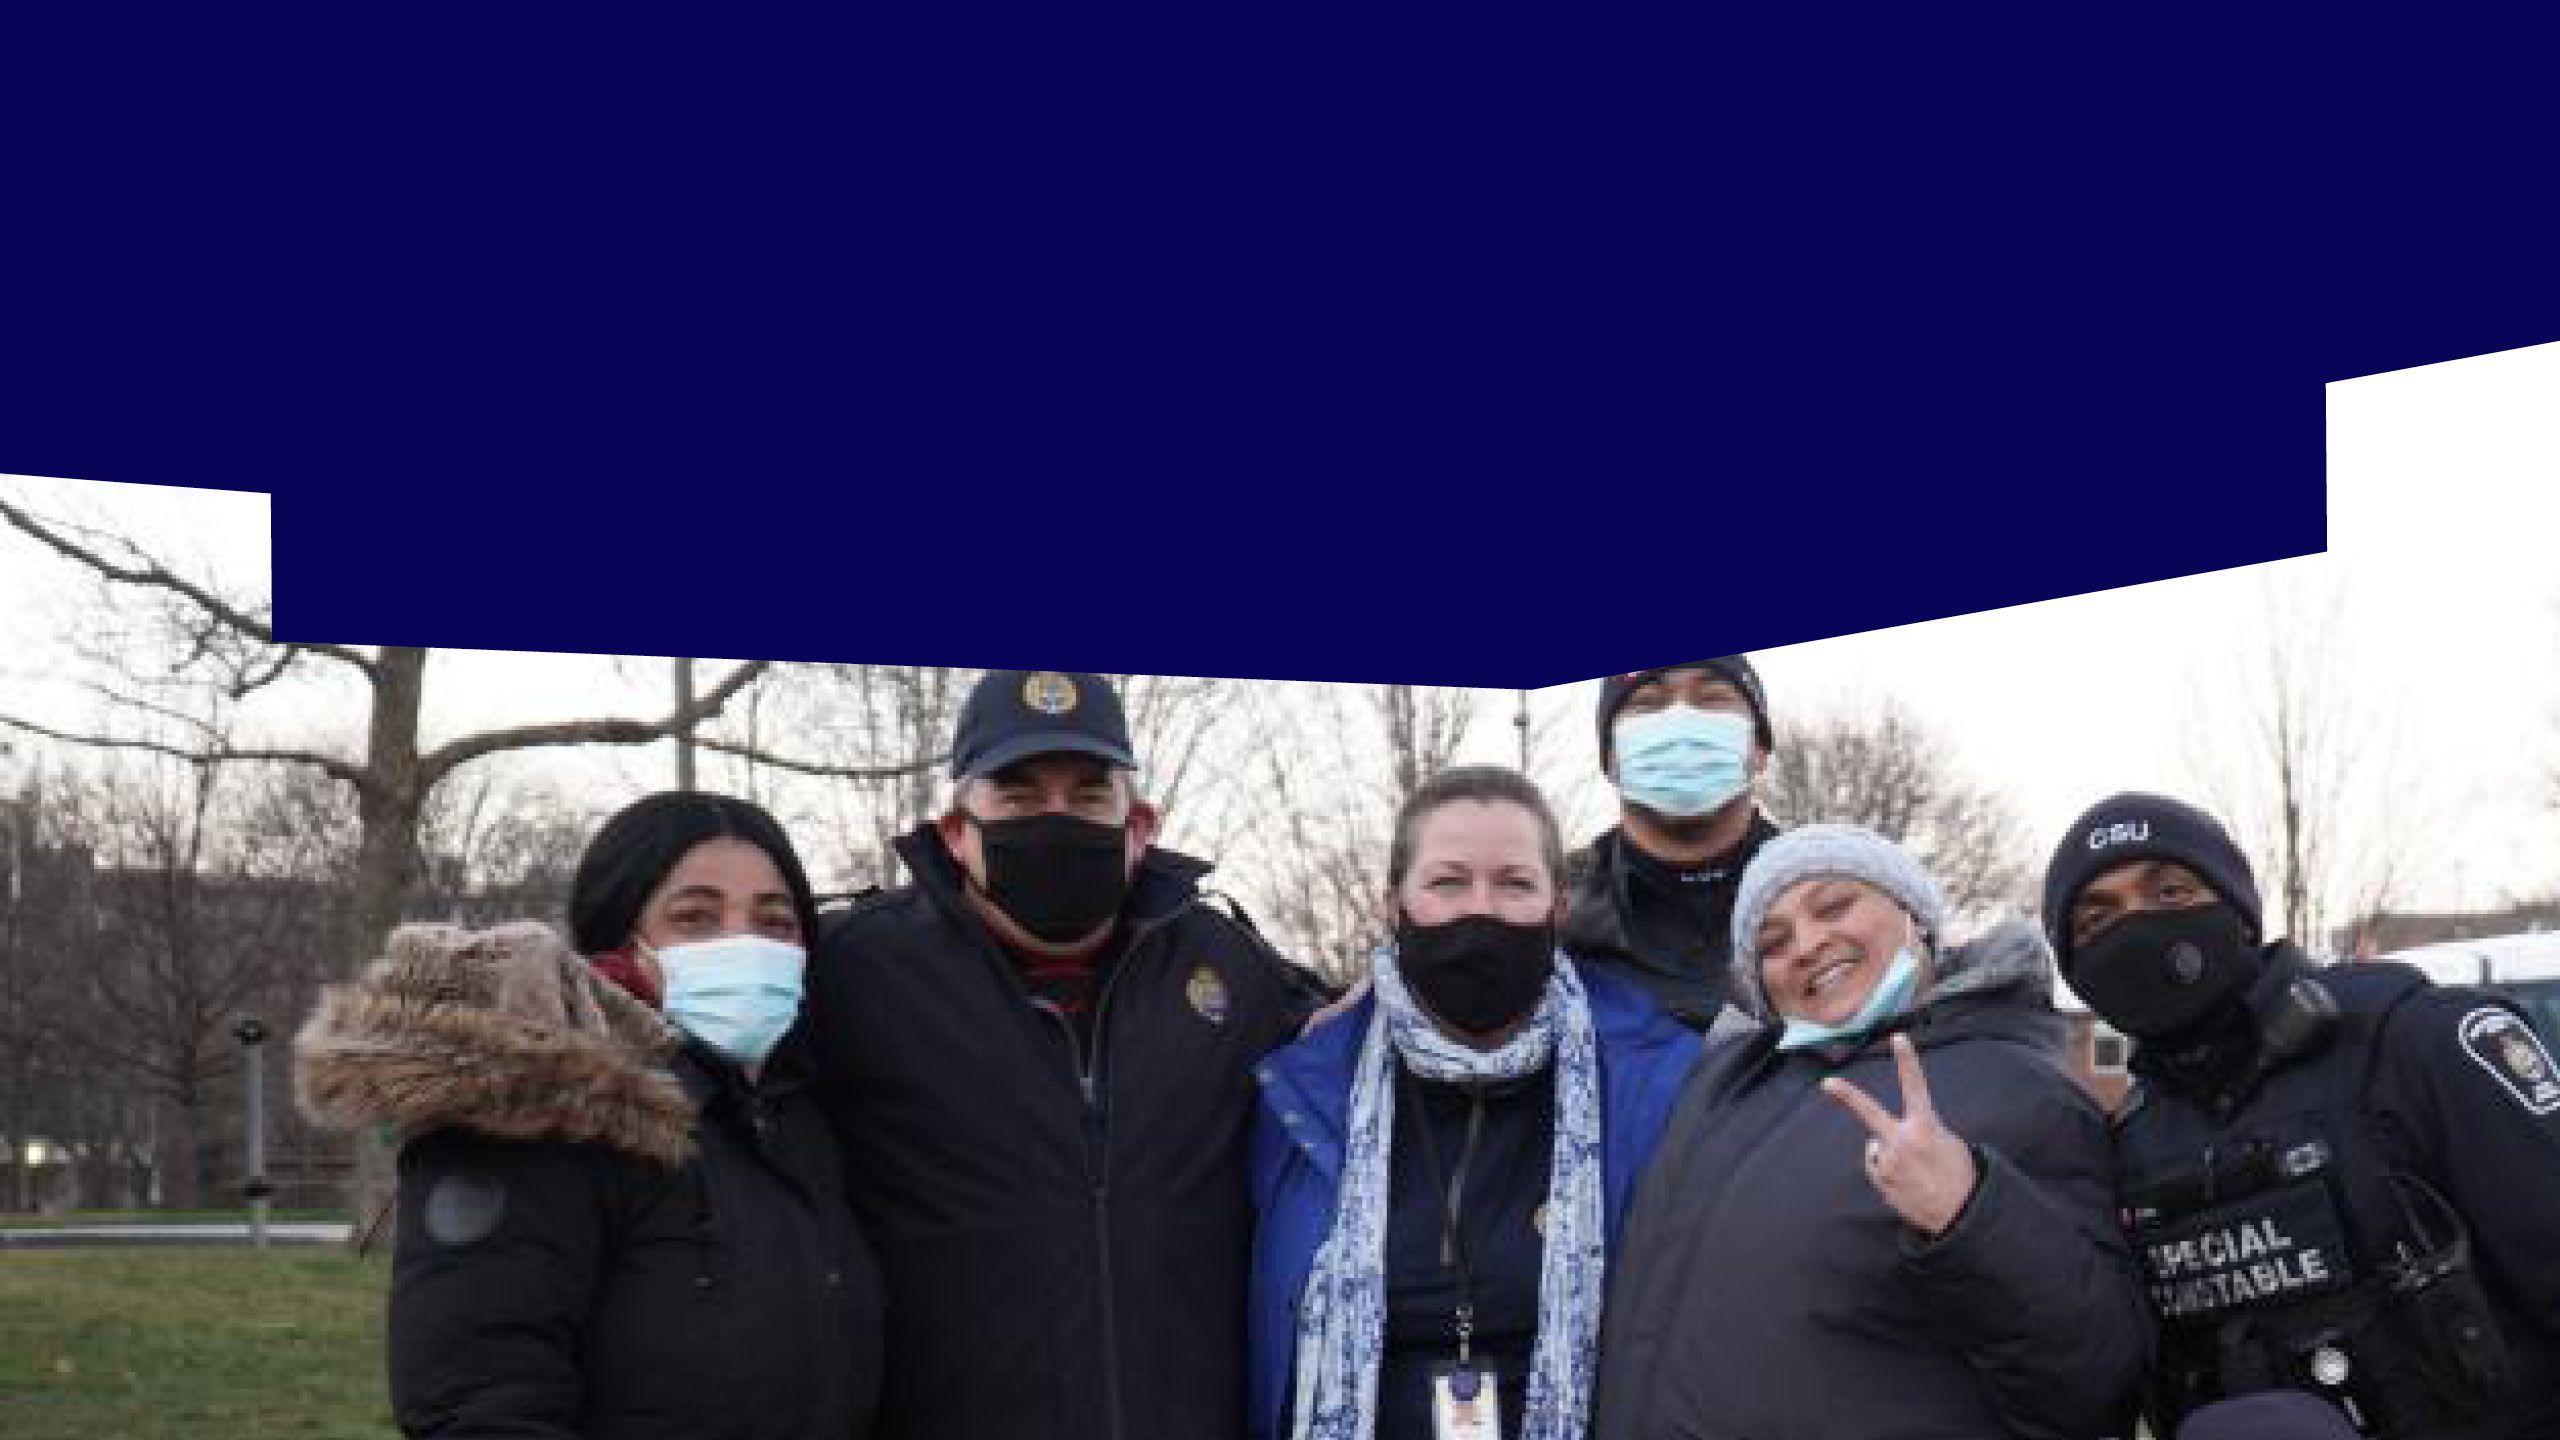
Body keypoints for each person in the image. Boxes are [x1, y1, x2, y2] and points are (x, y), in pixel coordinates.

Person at [801, 668, 1326, 1440]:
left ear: (1139, 826)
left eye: (1088, 796)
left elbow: (1358, 1066)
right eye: (1017, 795)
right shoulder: (853, 972)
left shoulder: (1233, 973)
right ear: (956, 831)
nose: (1056, 819)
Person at [295, 790, 883, 1440]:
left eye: (775, 922)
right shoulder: (540, 1114)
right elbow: (480, 1402)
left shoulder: (796, 1118)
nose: (744, 943)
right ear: (623, 940)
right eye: (696, 918)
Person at [1593, 823, 2149, 1439]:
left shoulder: (2020, 1088)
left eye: (1834, 905)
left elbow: (2095, 1378)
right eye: (1772, 943)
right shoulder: (1724, 1084)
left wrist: (1972, 1213)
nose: (1806, 945)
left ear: (1914, 915)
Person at [2042, 792, 2560, 1439]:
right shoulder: (2131, 1145)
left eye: (2170, 893)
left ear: (2237, 912)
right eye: (2096, 919)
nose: (2135, 926)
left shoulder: (2414, 1043)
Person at [1247, 764, 1699, 1440]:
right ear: (1392, 904)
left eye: (1515, 883)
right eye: (1447, 882)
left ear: (1558, 909)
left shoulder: (1660, 1086)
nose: (1479, 911)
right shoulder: (1301, 1095)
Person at [1560, 657, 1783, 1031]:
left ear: (1759, 749)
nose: (1681, 722)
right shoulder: (1554, 914)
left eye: (1712, 698)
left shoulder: (1824, 901)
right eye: (1647, 703)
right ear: (1611, 758)